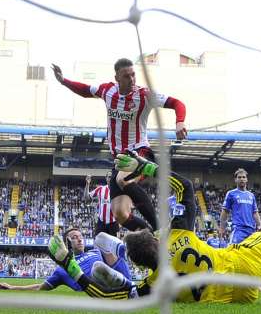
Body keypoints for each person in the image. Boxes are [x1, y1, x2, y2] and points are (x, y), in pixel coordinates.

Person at [46, 151, 261, 303]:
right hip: (243, 262)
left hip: (238, 296)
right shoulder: (177, 233)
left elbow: (109, 293)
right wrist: (145, 168)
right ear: (154, 236)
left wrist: (69, 264)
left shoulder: (154, 285)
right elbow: (185, 188)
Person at [52, 59, 188, 233]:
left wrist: (179, 122)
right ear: (117, 77)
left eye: (133, 75)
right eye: (126, 76)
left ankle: (159, 228)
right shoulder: (107, 91)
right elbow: (86, 90)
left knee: (122, 179)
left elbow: (177, 103)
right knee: (120, 214)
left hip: (140, 152)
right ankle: (150, 236)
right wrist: (64, 81)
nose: (132, 79)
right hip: (119, 159)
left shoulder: (144, 95)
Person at [0, 228, 131, 294]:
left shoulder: (95, 252)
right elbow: (40, 287)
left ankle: (130, 256)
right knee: (97, 268)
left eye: (80, 236)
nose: (79, 239)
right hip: (96, 288)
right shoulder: (61, 270)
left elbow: (113, 263)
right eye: (75, 237)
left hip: (115, 278)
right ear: (67, 243)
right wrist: (12, 287)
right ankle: (130, 289)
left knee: (100, 237)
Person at [218, 168, 261, 244]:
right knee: (233, 252)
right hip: (238, 230)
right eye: (239, 177)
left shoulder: (251, 195)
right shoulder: (231, 193)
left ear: (247, 179)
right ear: (235, 180)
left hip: (251, 231)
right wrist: (222, 228)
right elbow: (225, 211)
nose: (242, 179)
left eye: (243, 177)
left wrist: (260, 225)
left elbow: (255, 212)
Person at [84, 172, 118, 237]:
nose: (110, 179)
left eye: (112, 177)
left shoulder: (118, 190)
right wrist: (87, 184)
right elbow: (87, 198)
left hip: (113, 222)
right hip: (101, 222)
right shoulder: (101, 189)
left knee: (114, 243)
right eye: (109, 177)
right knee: (99, 242)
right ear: (106, 178)